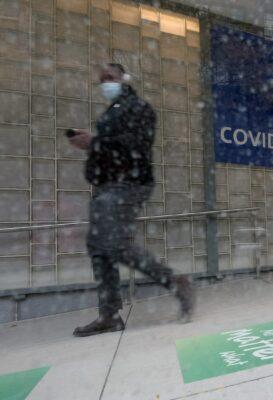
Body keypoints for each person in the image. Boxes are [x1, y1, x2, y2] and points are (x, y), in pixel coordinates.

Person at [68, 63, 195, 337]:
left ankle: (175, 283)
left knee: (112, 244)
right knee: (100, 246)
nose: (105, 83)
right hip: (107, 186)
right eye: (101, 79)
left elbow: (136, 145)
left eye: (110, 78)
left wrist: (95, 143)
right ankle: (109, 315)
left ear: (124, 79)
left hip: (129, 183)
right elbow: (112, 147)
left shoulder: (138, 107)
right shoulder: (112, 112)